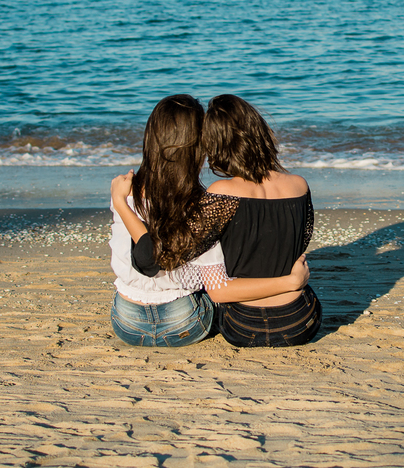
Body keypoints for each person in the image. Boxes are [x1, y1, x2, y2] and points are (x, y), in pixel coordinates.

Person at [109, 95, 307, 347]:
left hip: (127, 322)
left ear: (151, 138)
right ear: (198, 149)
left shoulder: (123, 190)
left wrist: (119, 203)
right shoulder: (202, 204)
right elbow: (154, 258)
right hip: (184, 322)